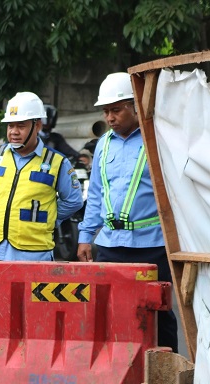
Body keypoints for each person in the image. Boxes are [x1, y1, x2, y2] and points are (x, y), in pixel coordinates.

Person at [77, 72, 178, 352]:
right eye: (106, 111)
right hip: (110, 244)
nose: (110, 117)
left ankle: (166, 376)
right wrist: (86, 236)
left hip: (152, 243)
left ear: (135, 105)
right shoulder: (103, 144)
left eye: (116, 109)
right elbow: (96, 193)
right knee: (110, 311)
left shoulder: (157, 139)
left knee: (159, 312)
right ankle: (118, 371)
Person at [0, 92, 83, 264]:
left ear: (37, 126)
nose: (14, 132)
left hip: (34, 256)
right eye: (10, 126)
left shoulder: (57, 162)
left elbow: (73, 201)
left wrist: (48, 218)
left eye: (21, 126)